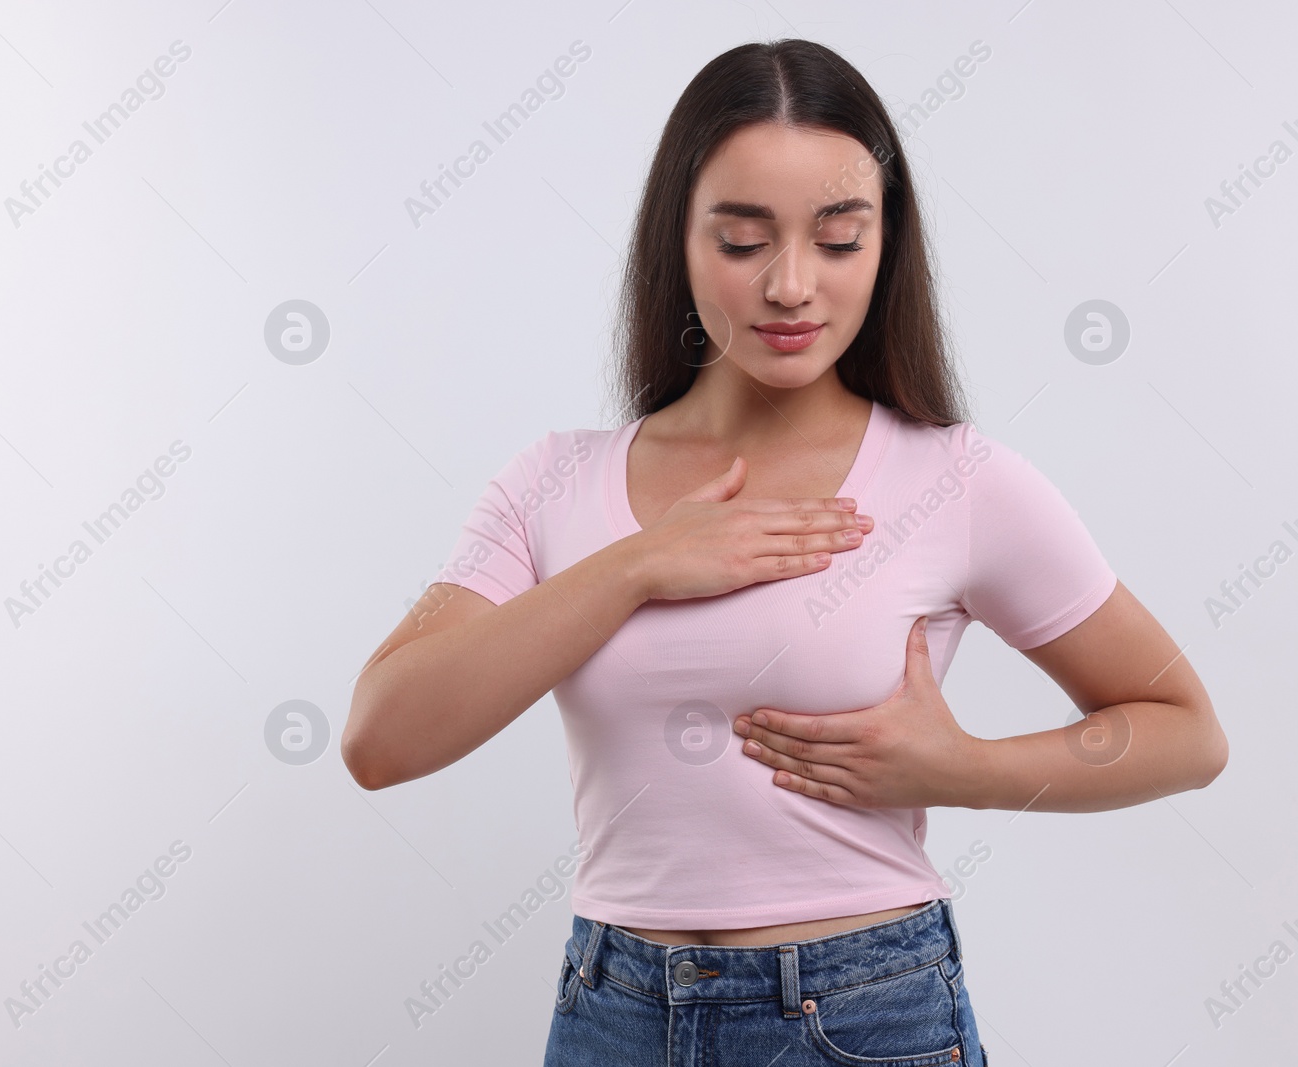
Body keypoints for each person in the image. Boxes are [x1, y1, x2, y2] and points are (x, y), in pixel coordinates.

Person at [343, 39, 1226, 1067]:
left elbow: (1184, 730)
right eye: (743, 239)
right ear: (676, 238)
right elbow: (381, 738)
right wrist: (636, 563)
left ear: (885, 246)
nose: (791, 285)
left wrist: (968, 767)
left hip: (866, 1011)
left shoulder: (958, 479)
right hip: (611, 1007)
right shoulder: (554, 479)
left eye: (838, 239)